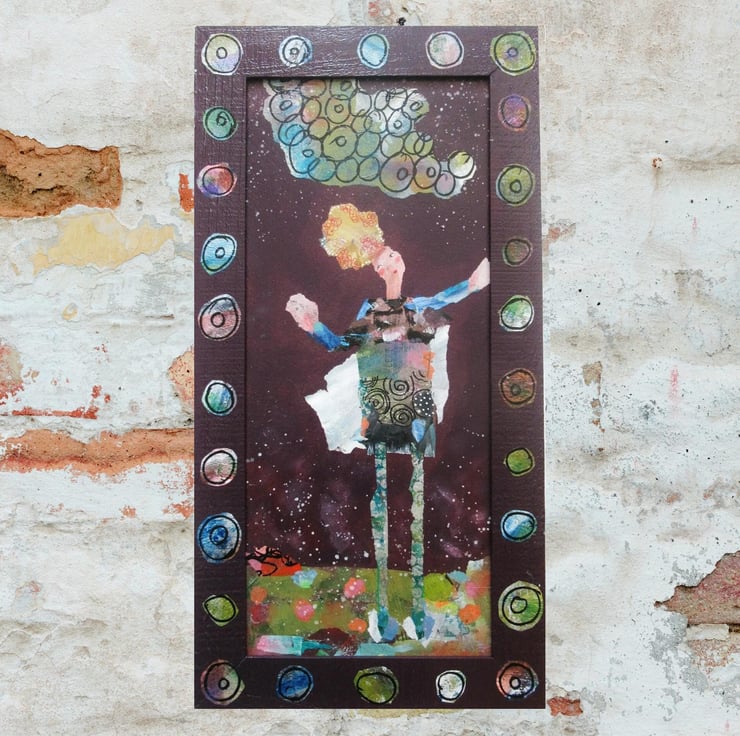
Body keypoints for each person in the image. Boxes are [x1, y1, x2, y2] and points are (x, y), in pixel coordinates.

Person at [286, 203, 489, 639]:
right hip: (379, 400)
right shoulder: (371, 311)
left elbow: (454, 294)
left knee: (416, 496)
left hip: (415, 398)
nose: (393, 259)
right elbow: (339, 343)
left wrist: (477, 281)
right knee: (381, 494)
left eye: (394, 254)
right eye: (385, 258)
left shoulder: (419, 306)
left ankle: (416, 609)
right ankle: (382, 609)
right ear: (377, 269)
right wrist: (312, 325)